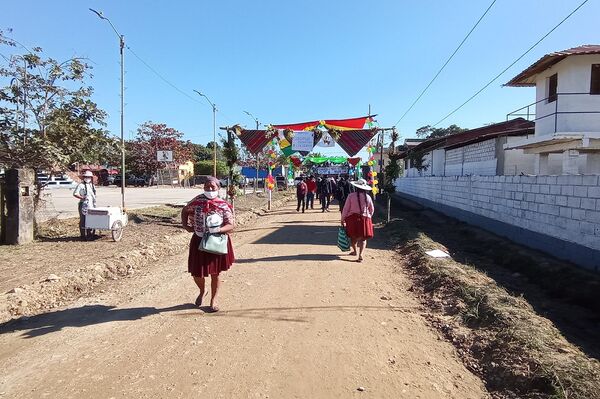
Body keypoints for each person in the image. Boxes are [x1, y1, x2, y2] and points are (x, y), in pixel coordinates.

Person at [181, 177, 235, 312]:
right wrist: (186, 226)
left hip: (216, 242)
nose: (210, 190)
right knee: (197, 273)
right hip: (199, 240)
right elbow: (185, 210)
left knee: (215, 273)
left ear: (218, 188)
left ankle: (213, 299)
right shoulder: (196, 201)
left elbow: (231, 225)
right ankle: (202, 290)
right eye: (207, 187)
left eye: (213, 187)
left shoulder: (223, 205)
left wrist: (218, 230)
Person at [341, 178, 374, 262]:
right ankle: (361, 255)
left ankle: (355, 251)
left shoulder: (351, 196)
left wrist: (343, 219)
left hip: (352, 219)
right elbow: (371, 210)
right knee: (363, 239)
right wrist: (368, 217)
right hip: (365, 219)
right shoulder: (368, 197)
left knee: (353, 237)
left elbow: (346, 208)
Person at [72, 170, 97, 240]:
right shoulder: (80, 185)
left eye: (89, 177)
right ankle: (83, 235)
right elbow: (75, 194)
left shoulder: (92, 186)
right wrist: (82, 197)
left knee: (90, 219)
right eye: (86, 177)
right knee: (83, 219)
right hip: (83, 204)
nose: (87, 178)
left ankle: (90, 234)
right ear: (83, 177)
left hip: (91, 205)